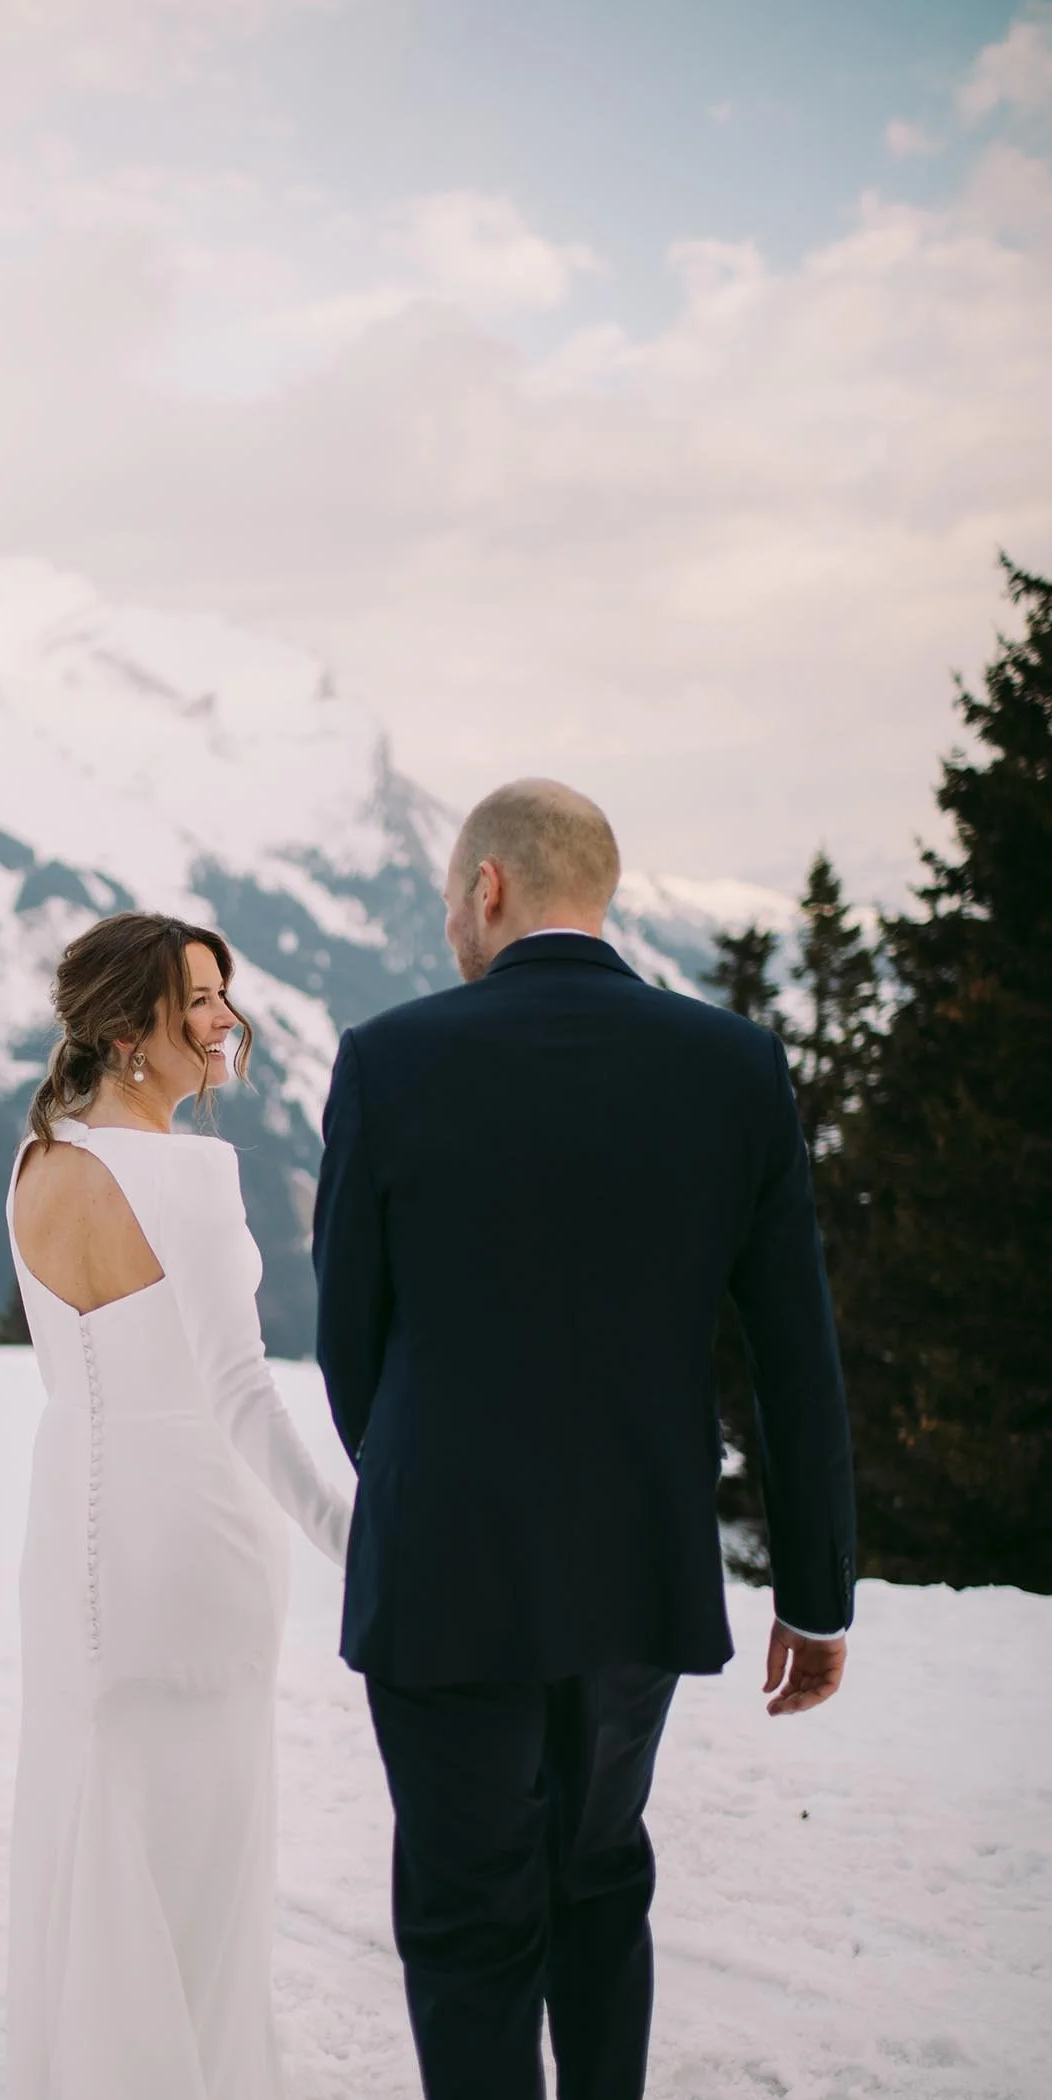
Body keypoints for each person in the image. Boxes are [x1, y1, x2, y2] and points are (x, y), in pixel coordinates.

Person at [312, 779, 856, 2100]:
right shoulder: (734, 1066)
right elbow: (796, 1354)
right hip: (637, 1562)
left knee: (464, 1920)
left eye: (451, 898)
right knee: (601, 1875)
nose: (450, 921)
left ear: (489, 886)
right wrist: (817, 1595)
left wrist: (422, 1475)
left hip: (446, 1569)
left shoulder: (391, 1060)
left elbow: (348, 1343)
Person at [5, 912, 350, 2100]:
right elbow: (243, 1396)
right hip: (194, 1537)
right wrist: (361, 1540)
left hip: (72, 1532)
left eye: (220, 996)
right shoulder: (189, 1171)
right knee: (201, 1848)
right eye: (193, 1000)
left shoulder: (38, 1156)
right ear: (122, 1028)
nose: (222, 1022)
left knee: (94, 1817)